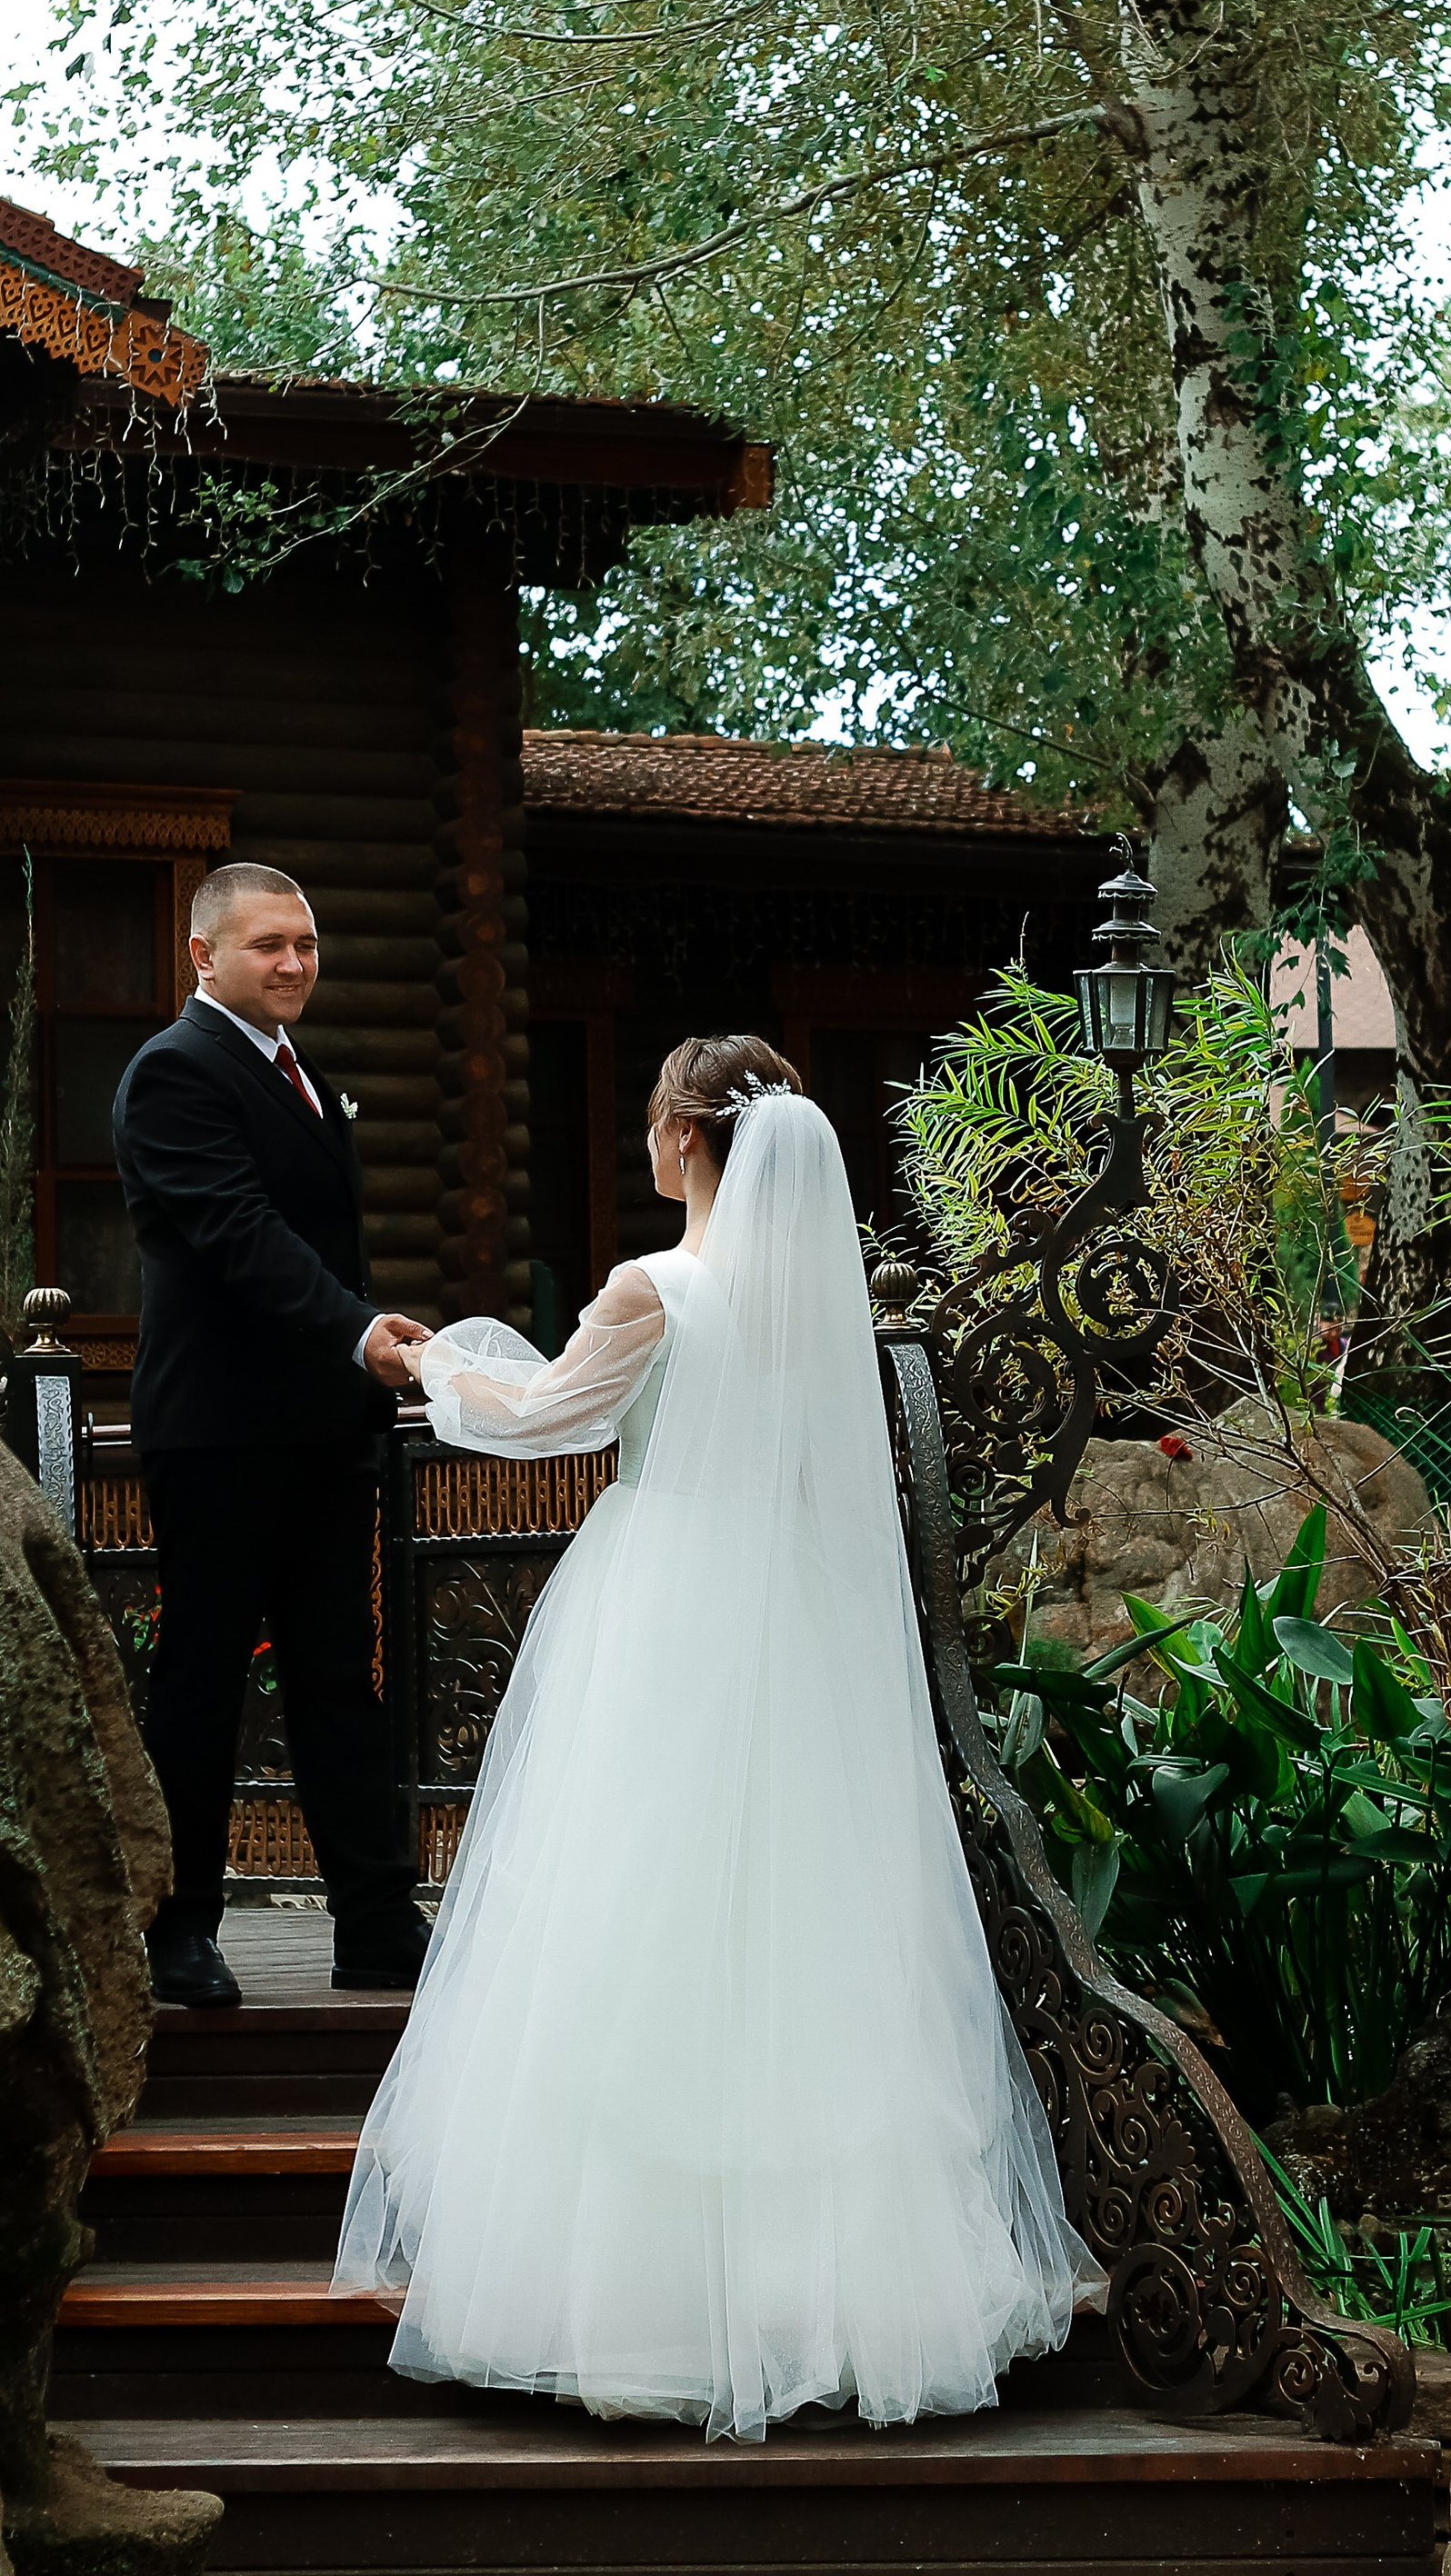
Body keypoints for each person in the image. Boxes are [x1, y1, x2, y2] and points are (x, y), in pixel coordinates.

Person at [335, 1034, 1095, 2434]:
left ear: (685, 1141)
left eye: (648, 1122)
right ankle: (839, 2291)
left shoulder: (656, 1287)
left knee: (640, 1912)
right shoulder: (816, 1306)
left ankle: (638, 2297)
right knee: (806, 1926)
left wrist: (434, 1360)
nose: (642, 1144)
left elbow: (546, 1418)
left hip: (665, 1605)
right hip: (796, 1622)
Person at [111, 863, 436, 2009]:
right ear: (206, 956)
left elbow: (312, 1240)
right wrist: (359, 1333)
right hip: (219, 1431)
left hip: (319, 1432)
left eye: (306, 942)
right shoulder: (174, 1074)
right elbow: (237, 1234)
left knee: (341, 1679)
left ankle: (376, 1923)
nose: (295, 962)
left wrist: (362, 1333)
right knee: (203, 1679)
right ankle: (176, 1931)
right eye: (268, 945)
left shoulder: (301, 1074)